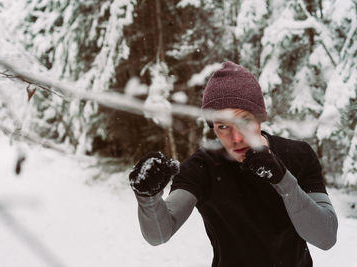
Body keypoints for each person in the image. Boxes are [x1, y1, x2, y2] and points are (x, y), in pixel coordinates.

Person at [128, 61, 338, 267]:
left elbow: (326, 236)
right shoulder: (201, 167)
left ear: (260, 118)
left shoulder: (298, 155)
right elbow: (159, 235)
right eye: (223, 126)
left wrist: (283, 180)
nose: (236, 137)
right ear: (213, 128)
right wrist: (148, 197)